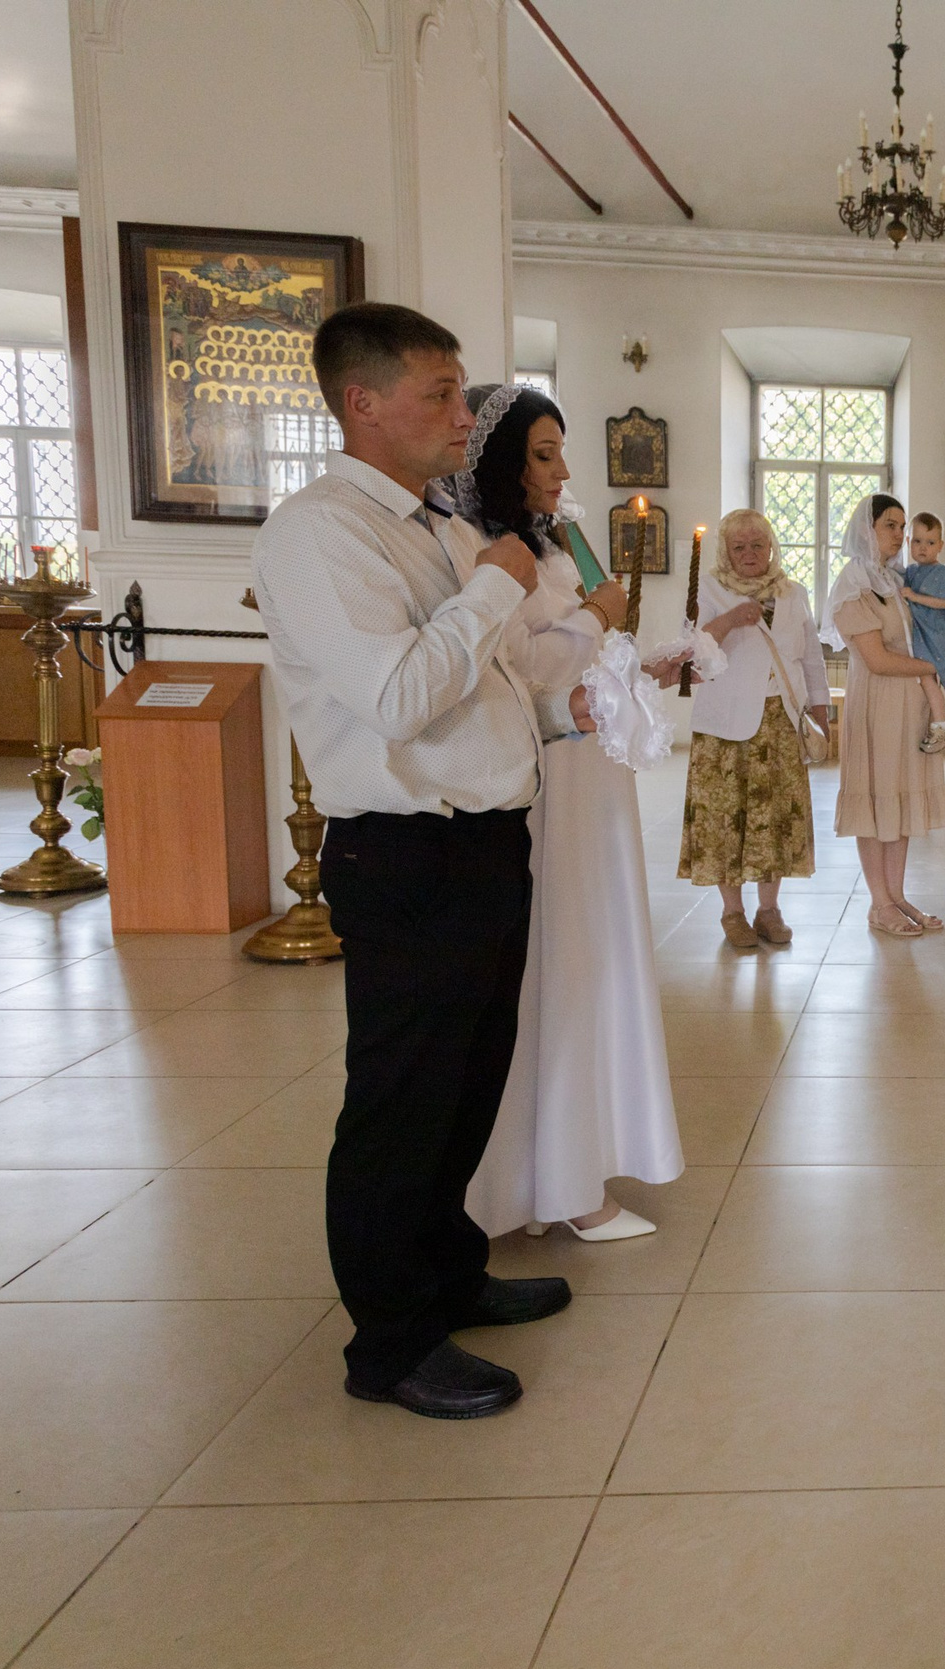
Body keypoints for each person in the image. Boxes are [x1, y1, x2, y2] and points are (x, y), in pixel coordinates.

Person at [253, 303, 596, 1420]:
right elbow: (399, 694)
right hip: (408, 849)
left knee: (467, 1079)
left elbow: (489, 677)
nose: (463, 415)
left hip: (485, 840)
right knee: (401, 1100)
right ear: (363, 402)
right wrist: (496, 583)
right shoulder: (319, 534)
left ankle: (447, 1274)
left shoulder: (436, 527)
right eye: (440, 393)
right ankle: (391, 1342)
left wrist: (568, 704)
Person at [444, 382, 683, 1245]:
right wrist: (595, 615)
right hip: (548, 781)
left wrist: (638, 662)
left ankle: (569, 1168)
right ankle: (553, 1182)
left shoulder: (552, 546)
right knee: (560, 971)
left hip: (592, 777)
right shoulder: (484, 552)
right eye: (543, 454)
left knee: (593, 961)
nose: (562, 471)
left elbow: (581, 661)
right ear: (499, 463)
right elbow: (517, 668)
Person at [680, 508, 832, 949]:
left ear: (771, 547)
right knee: (725, 818)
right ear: (726, 552)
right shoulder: (708, 588)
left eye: (758, 545)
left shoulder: (793, 593)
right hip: (724, 725)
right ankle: (732, 913)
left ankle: (769, 910)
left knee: (776, 818)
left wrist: (820, 710)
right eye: (739, 547)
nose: (749, 554)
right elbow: (690, 650)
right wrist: (730, 619)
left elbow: (811, 657)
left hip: (781, 720)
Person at [827, 492, 945, 936]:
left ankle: (897, 895)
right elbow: (878, 660)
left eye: (903, 527)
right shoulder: (853, 585)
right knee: (876, 798)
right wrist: (929, 670)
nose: (900, 535)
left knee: (899, 799)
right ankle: (879, 903)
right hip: (878, 701)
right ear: (868, 529)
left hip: (909, 702)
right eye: (890, 525)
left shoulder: (894, 579)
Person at [897, 510, 945, 753]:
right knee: (922, 679)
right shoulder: (911, 571)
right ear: (908, 542)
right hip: (922, 635)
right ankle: (937, 714)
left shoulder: (941, 573)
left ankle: (942, 726)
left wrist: (915, 597)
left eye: (930, 542)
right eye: (917, 541)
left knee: (926, 677)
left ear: (940, 546)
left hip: (937, 638)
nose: (923, 547)